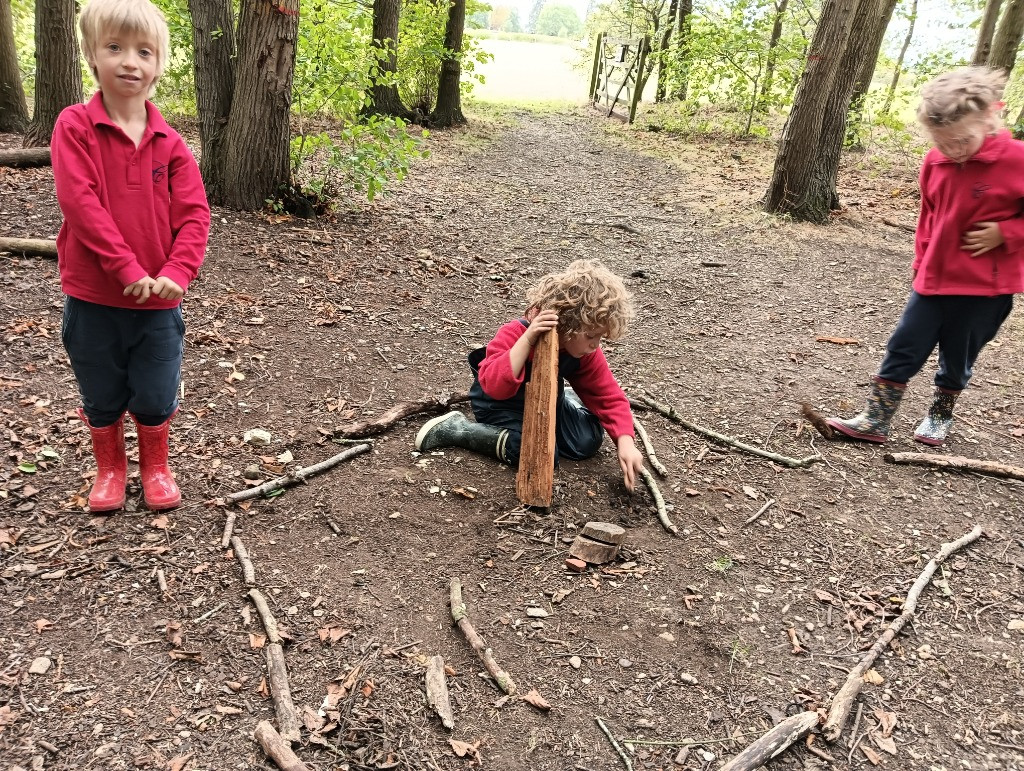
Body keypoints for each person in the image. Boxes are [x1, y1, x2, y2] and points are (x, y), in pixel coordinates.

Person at [53, 0, 210, 511]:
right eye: (114, 48)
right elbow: (82, 205)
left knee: (156, 388)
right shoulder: (75, 126)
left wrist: (177, 271)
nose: (129, 62)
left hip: (159, 304)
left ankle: (155, 467)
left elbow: (195, 215)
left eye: (144, 51)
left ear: (159, 64)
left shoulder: (172, 144)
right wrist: (125, 268)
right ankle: (110, 469)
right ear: (91, 56)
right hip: (94, 296)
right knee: (101, 389)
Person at [827, 66, 1024, 446]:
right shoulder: (935, 162)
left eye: (963, 140)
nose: (953, 150)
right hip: (933, 279)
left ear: (990, 115)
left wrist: (1007, 232)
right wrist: (921, 263)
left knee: (958, 354)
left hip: (986, 288)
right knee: (904, 343)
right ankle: (876, 418)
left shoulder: (1017, 161)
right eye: (943, 142)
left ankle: (940, 414)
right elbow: (929, 216)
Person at [415, 259, 646, 490]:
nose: (595, 345)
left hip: (548, 404)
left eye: (600, 338)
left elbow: (607, 395)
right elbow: (494, 387)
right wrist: (527, 341)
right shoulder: (514, 333)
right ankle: (458, 430)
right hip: (500, 406)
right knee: (536, 452)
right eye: (591, 336)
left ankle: (568, 399)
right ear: (569, 323)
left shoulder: (585, 352)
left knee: (587, 441)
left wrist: (625, 440)